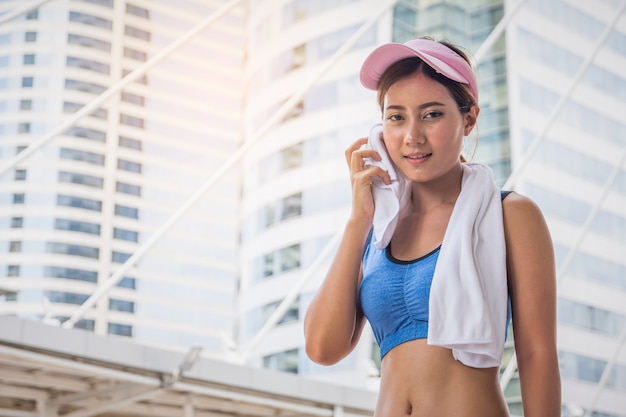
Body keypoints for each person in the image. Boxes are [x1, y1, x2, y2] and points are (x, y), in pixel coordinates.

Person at [303, 37, 561, 417]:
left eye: (432, 114)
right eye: (396, 117)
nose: (412, 137)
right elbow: (322, 348)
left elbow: (537, 355)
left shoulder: (510, 215)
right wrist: (358, 220)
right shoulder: (378, 230)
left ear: (469, 118)